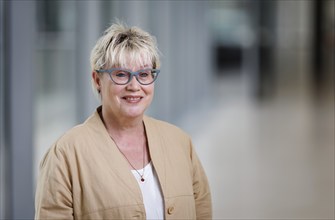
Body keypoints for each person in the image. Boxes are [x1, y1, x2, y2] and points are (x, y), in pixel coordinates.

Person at [35, 22, 212, 219]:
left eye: (144, 74)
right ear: (97, 80)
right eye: (121, 74)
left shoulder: (180, 142)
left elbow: (202, 211)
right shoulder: (65, 154)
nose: (134, 86)